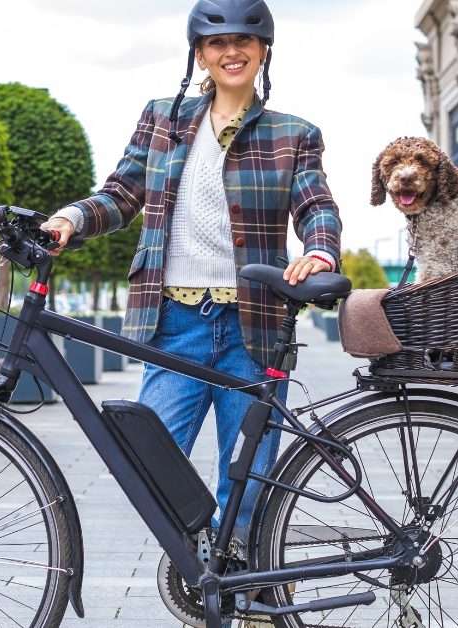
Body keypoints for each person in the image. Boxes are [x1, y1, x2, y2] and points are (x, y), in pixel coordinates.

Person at [42, 0, 341, 547]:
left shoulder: (293, 134)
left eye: (243, 42)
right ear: (200, 55)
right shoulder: (164, 118)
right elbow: (122, 193)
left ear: (263, 51)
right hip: (175, 322)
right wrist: (71, 218)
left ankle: (244, 586)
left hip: (254, 327)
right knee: (144, 462)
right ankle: (206, 551)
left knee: (248, 486)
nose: (232, 52)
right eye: (217, 44)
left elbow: (316, 205)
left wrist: (320, 251)